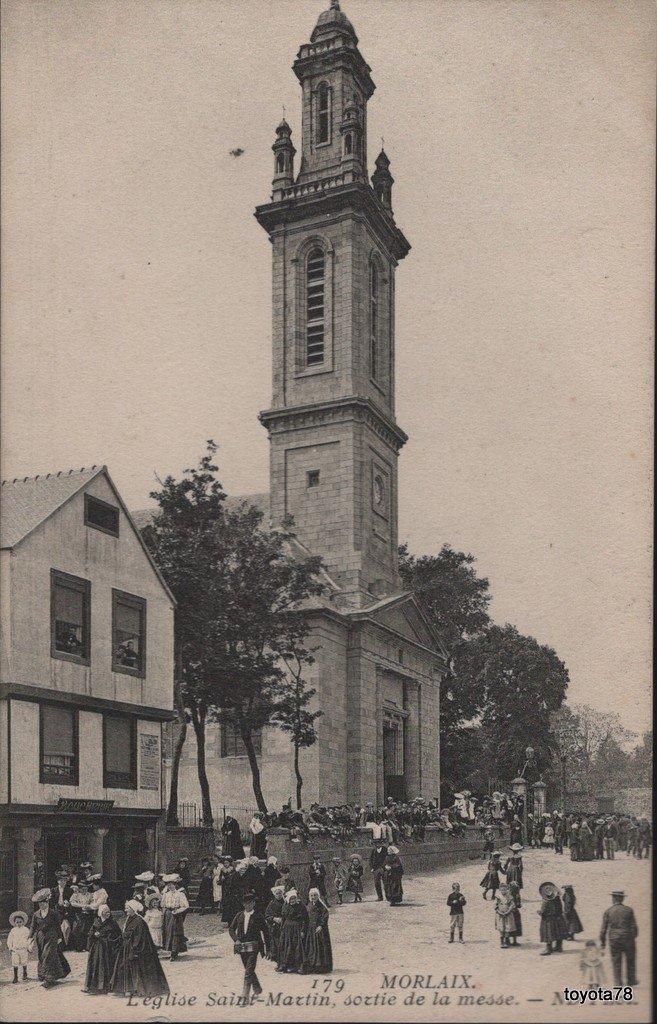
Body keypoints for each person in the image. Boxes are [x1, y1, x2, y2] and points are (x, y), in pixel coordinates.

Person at [109, 900, 170, 997]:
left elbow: (140, 937)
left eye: (127, 908)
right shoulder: (129, 918)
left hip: (134, 948)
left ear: (133, 909)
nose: (125, 910)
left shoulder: (139, 921)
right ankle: (125, 989)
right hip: (126, 947)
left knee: (135, 969)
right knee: (123, 967)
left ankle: (135, 990)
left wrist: (134, 949)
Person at [229, 891, 268, 1005]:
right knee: (248, 969)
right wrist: (236, 940)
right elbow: (231, 929)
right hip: (242, 947)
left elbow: (266, 932)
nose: (248, 905)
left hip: (254, 947)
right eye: (245, 903)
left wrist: (268, 948)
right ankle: (257, 988)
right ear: (243, 904)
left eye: (250, 903)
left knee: (248, 972)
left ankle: (244, 997)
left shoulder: (258, 916)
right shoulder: (239, 915)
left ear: (254, 903)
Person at [28, 888, 71, 988]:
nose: (42, 905)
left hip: (52, 936)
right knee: (42, 956)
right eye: (39, 904)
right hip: (40, 937)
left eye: (43, 903)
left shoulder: (54, 913)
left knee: (48, 956)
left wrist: (60, 937)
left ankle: (49, 979)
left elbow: (57, 926)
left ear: (47, 902)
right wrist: (30, 938)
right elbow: (33, 927)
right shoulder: (36, 914)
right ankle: (44, 974)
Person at [599, 890, 638, 987]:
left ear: (613, 898)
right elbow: (634, 927)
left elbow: (603, 930)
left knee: (616, 961)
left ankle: (618, 983)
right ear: (622, 898)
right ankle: (631, 981)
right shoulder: (629, 910)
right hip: (628, 938)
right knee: (630, 960)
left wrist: (603, 943)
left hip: (614, 939)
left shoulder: (608, 911)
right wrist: (632, 937)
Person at [83, 904, 121, 995]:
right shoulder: (96, 922)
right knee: (95, 966)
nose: (108, 913)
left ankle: (105, 988)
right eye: (105, 912)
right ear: (101, 913)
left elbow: (118, 936)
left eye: (108, 912)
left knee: (106, 966)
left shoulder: (113, 923)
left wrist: (107, 939)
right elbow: (90, 934)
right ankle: (94, 987)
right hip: (96, 948)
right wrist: (94, 935)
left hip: (107, 949)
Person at [276, 890, 308, 973]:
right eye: (291, 899)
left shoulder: (301, 907)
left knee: (297, 947)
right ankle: (284, 965)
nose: (292, 900)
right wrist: (282, 929)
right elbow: (283, 918)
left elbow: (305, 920)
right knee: (286, 946)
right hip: (286, 929)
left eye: (294, 899)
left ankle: (298, 966)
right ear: (288, 899)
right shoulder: (285, 906)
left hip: (297, 928)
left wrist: (303, 930)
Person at [303, 888, 332, 973]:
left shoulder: (322, 906)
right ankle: (312, 965)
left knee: (320, 947)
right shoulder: (309, 905)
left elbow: (325, 916)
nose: (313, 897)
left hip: (319, 929)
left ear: (318, 896)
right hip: (310, 929)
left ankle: (321, 967)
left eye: (315, 895)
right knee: (311, 947)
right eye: (311, 895)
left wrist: (321, 926)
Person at [161, 874, 189, 960]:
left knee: (175, 932)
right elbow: (162, 905)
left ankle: (174, 952)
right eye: (168, 885)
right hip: (168, 914)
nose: (170, 886)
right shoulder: (166, 894)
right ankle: (170, 950)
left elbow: (185, 906)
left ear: (175, 885)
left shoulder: (180, 894)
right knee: (168, 932)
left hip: (176, 914)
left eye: (171, 884)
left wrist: (178, 911)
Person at [538, 882, 567, 955]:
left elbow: (543, 911)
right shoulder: (557, 899)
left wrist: (540, 912)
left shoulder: (546, 901)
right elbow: (560, 908)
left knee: (548, 933)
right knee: (558, 932)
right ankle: (559, 946)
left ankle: (548, 949)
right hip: (558, 918)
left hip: (548, 920)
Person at [50, 870, 73, 947]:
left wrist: (68, 904)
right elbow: (51, 903)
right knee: (57, 925)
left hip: (67, 910)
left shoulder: (70, 890)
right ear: (58, 881)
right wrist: (58, 905)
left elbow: (72, 900)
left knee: (68, 925)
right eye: (61, 880)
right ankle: (60, 944)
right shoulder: (53, 890)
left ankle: (68, 943)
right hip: (57, 910)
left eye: (65, 881)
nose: (63, 882)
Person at [7, 910, 30, 983]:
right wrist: (10, 947)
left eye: (20, 922)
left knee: (24, 961)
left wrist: (29, 947)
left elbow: (29, 939)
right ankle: (15, 976)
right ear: (14, 923)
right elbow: (9, 939)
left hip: (23, 949)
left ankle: (24, 973)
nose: (19, 923)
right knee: (15, 962)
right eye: (17, 922)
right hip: (15, 949)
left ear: (23, 922)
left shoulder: (26, 930)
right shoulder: (13, 930)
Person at [264, 884, 286, 964]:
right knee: (276, 944)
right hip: (275, 927)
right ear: (274, 894)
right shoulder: (272, 903)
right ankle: (277, 961)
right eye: (277, 893)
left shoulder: (285, 902)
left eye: (280, 893)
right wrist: (274, 919)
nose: (279, 895)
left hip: (284, 926)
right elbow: (267, 915)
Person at [509, 881, 522, 945]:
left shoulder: (512, 895)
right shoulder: (512, 895)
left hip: (512, 912)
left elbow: (519, 905)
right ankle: (512, 940)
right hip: (511, 912)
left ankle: (510, 940)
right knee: (512, 925)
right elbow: (519, 905)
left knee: (512, 926)